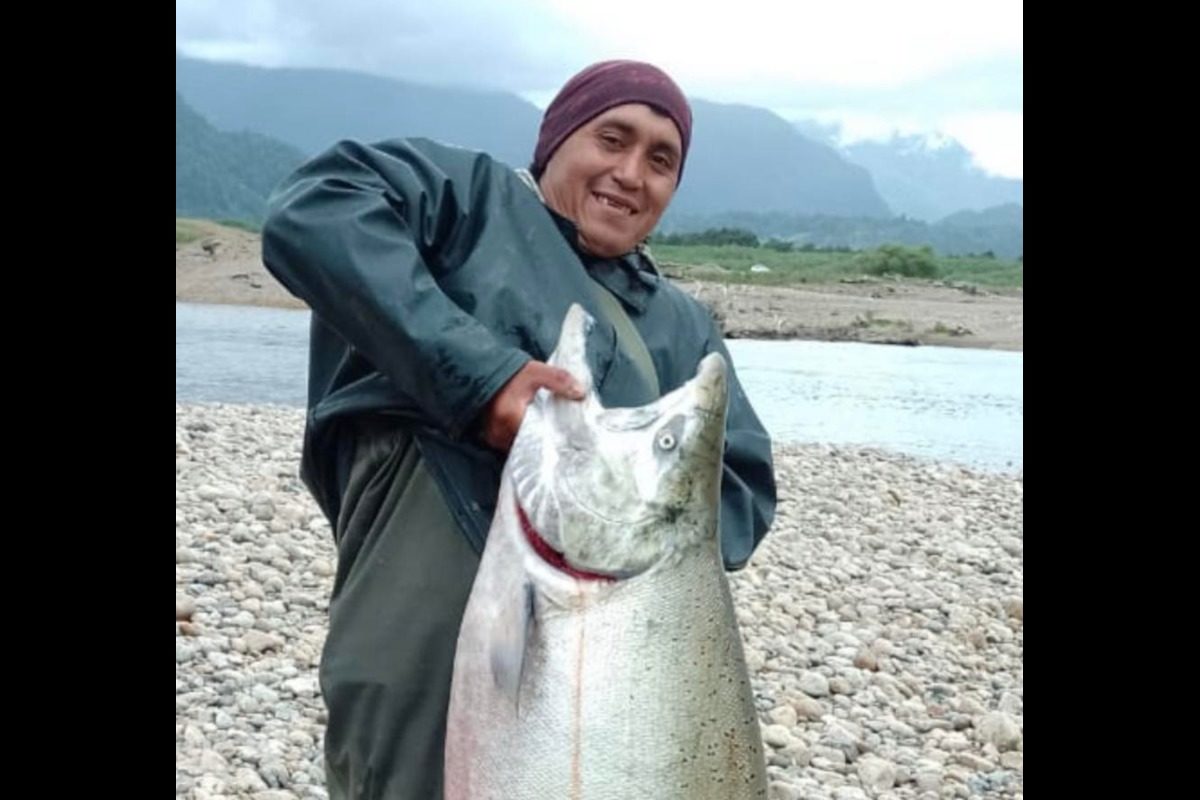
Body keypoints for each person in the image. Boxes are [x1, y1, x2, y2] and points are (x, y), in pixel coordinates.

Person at [261, 59, 777, 800]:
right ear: (558, 138)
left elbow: (740, 488)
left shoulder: (683, 326)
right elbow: (313, 210)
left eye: (662, 161)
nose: (631, 173)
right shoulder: (463, 202)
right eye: (612, 138)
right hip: (413, 638)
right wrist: (480, 381)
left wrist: (608, 487)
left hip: (601, 670)